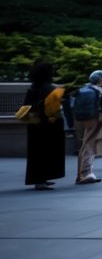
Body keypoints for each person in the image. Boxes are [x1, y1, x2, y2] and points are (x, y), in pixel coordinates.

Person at [23, 62, 66, 190]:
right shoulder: (50, 88)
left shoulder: (33, 87)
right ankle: (41, 179)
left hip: (35, 124)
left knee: (36, 153)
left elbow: (27, 105)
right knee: (47, 152)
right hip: (49, 124)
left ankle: (39, 178)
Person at [73, 70, 102, 185]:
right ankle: (86, 173)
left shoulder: (82, 89)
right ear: (101, 79)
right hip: (95, 119)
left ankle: (80, 174)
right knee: (90, 144)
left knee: (84, 145)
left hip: (80, 119)